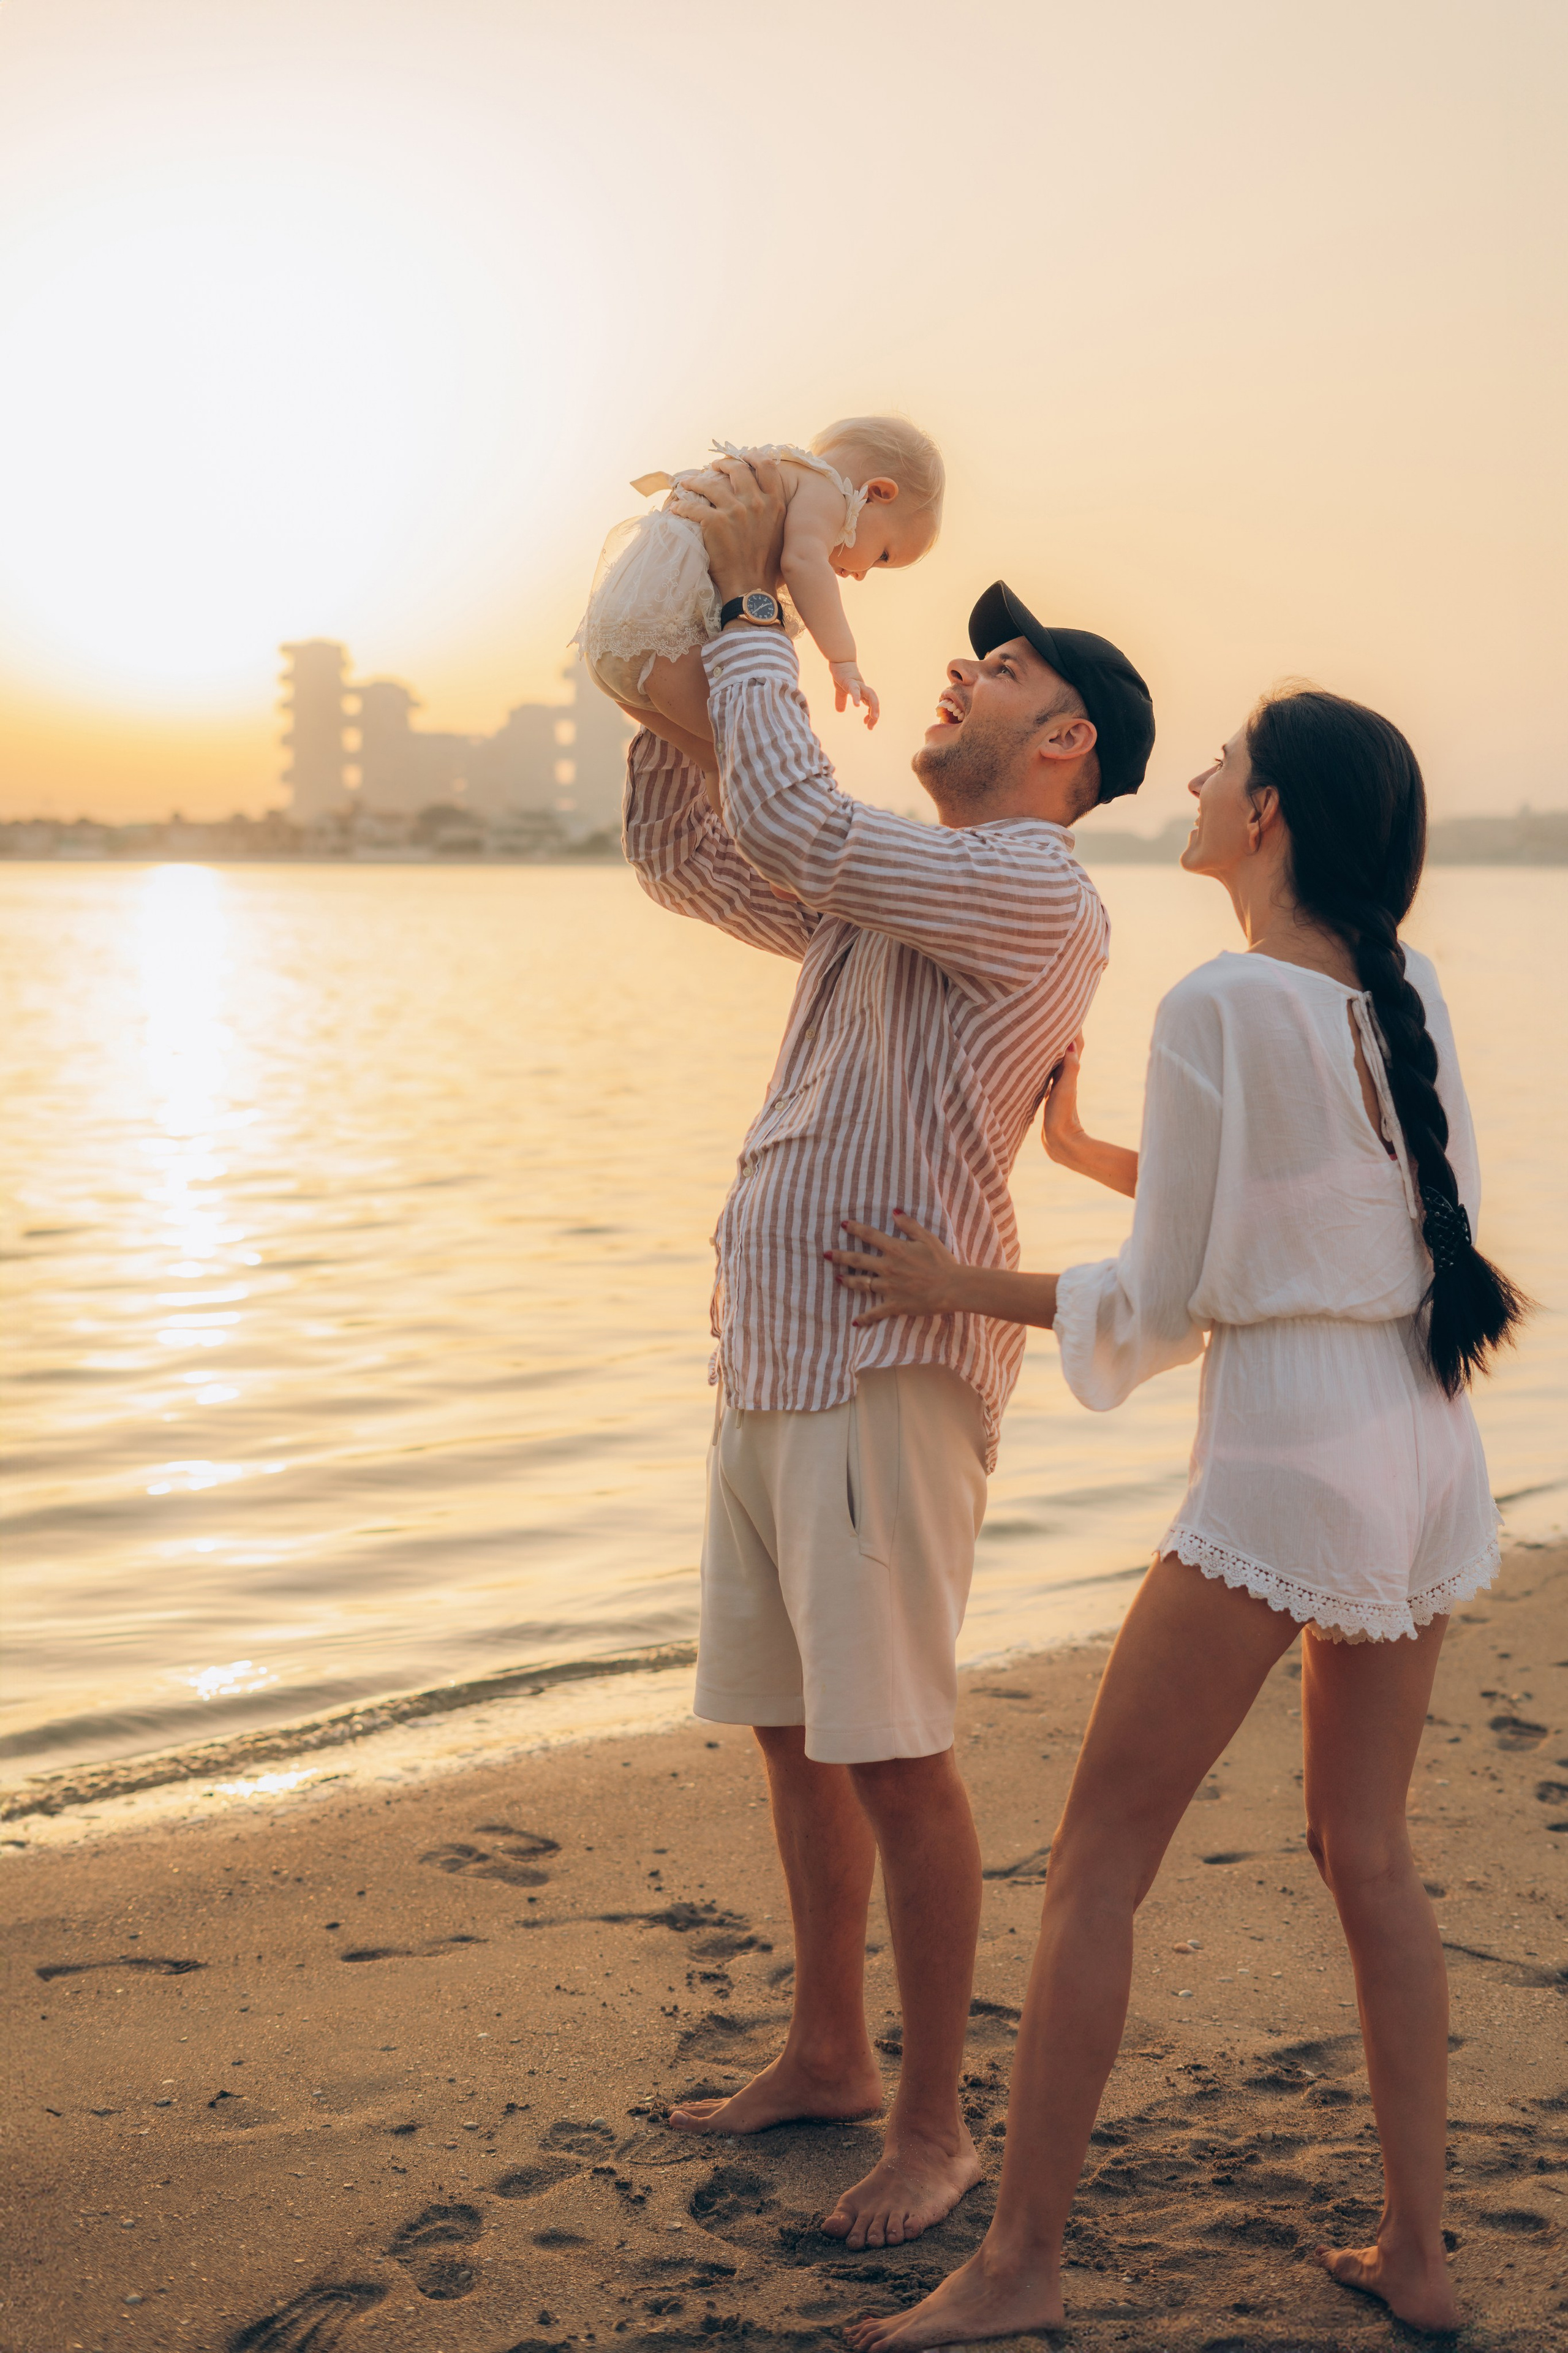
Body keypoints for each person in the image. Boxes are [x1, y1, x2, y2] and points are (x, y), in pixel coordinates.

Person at [828, 683, 1526, 2338]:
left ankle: (1015, 2265)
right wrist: (1094, 1157)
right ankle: (1420, 2255)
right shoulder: (1399, 985)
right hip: (1425, 1445)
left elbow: (1169, 1299)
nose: (1200, 782)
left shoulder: (1219, 999)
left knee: (1096, 1867)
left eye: (1221, 765)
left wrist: (957, 1280)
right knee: (1370, 1854)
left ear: (1267, 816)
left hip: (1287, 1452)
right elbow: (1343, 1206)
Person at [620, 455, 1155, 2252]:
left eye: (1001, 674)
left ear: (1065, 745)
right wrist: (681, 620)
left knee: (897, 1751)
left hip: (884, 1368)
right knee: (791, 1736)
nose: (957, 673)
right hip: (773, 1348)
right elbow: (696, 852)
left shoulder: (1034, 897)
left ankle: (929, 2123)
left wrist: (769, 597)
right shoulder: (903, 884)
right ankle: (830, 2049)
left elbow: (799, 822)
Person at [575, 418, 944, 758]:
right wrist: (843, 659)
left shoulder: (781, 476)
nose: (863, 574)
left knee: (717, 762)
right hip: (662, 640)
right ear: (877, 492)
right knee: (759, 752)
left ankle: (726, 833)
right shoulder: (826, 491)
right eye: (883, 556)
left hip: (617, 637)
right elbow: (802, 563)